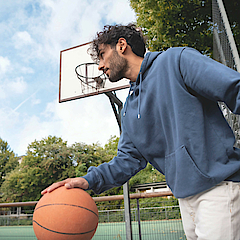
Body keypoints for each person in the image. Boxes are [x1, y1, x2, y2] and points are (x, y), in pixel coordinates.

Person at [42, 24, 240, 239]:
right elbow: (128, 159)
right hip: (185, 199)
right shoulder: (130, 108)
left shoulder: (176, 60)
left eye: (102, 55)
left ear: (121, 45)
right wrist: (89, 180)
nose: (99, 66)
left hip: (220, 187)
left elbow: (234, 89)